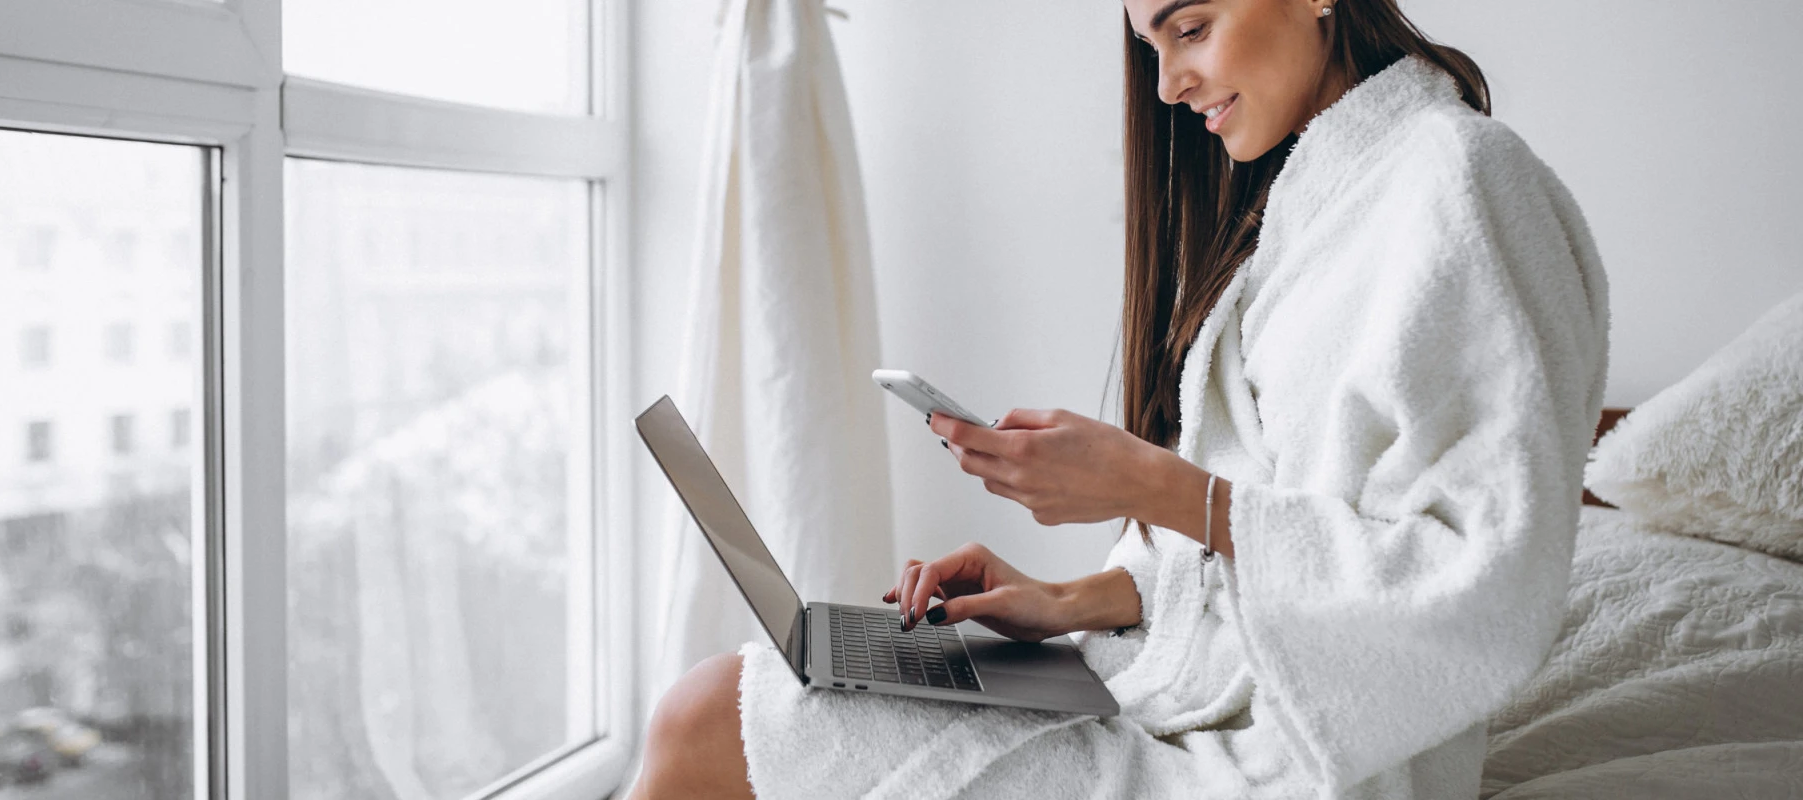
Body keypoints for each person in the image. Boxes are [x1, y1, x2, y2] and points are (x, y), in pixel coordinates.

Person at [628, 0, 1610, 796]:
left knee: (707, 715)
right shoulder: (1309, 216)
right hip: (1182, 709)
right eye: (1150, 45)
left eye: (1190, 29)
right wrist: (1063, 602)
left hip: (1305, 761)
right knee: (714, 704)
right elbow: (1283, 540)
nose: (1168, 83)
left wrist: (1156, 483)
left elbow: (1485, 582)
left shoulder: (1464, 183)